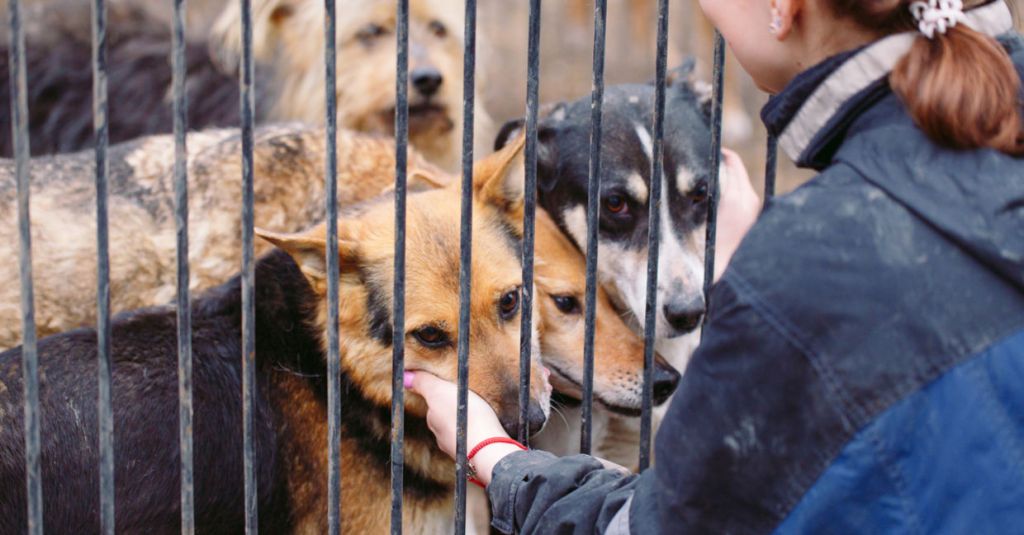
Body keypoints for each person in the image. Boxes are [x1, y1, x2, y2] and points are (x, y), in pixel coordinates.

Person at [407, 0, 1024, 532]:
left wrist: (493, 454)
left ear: (783, 7)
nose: (684, 287)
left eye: (695, 200)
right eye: (617, 209)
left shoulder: (802, 264)